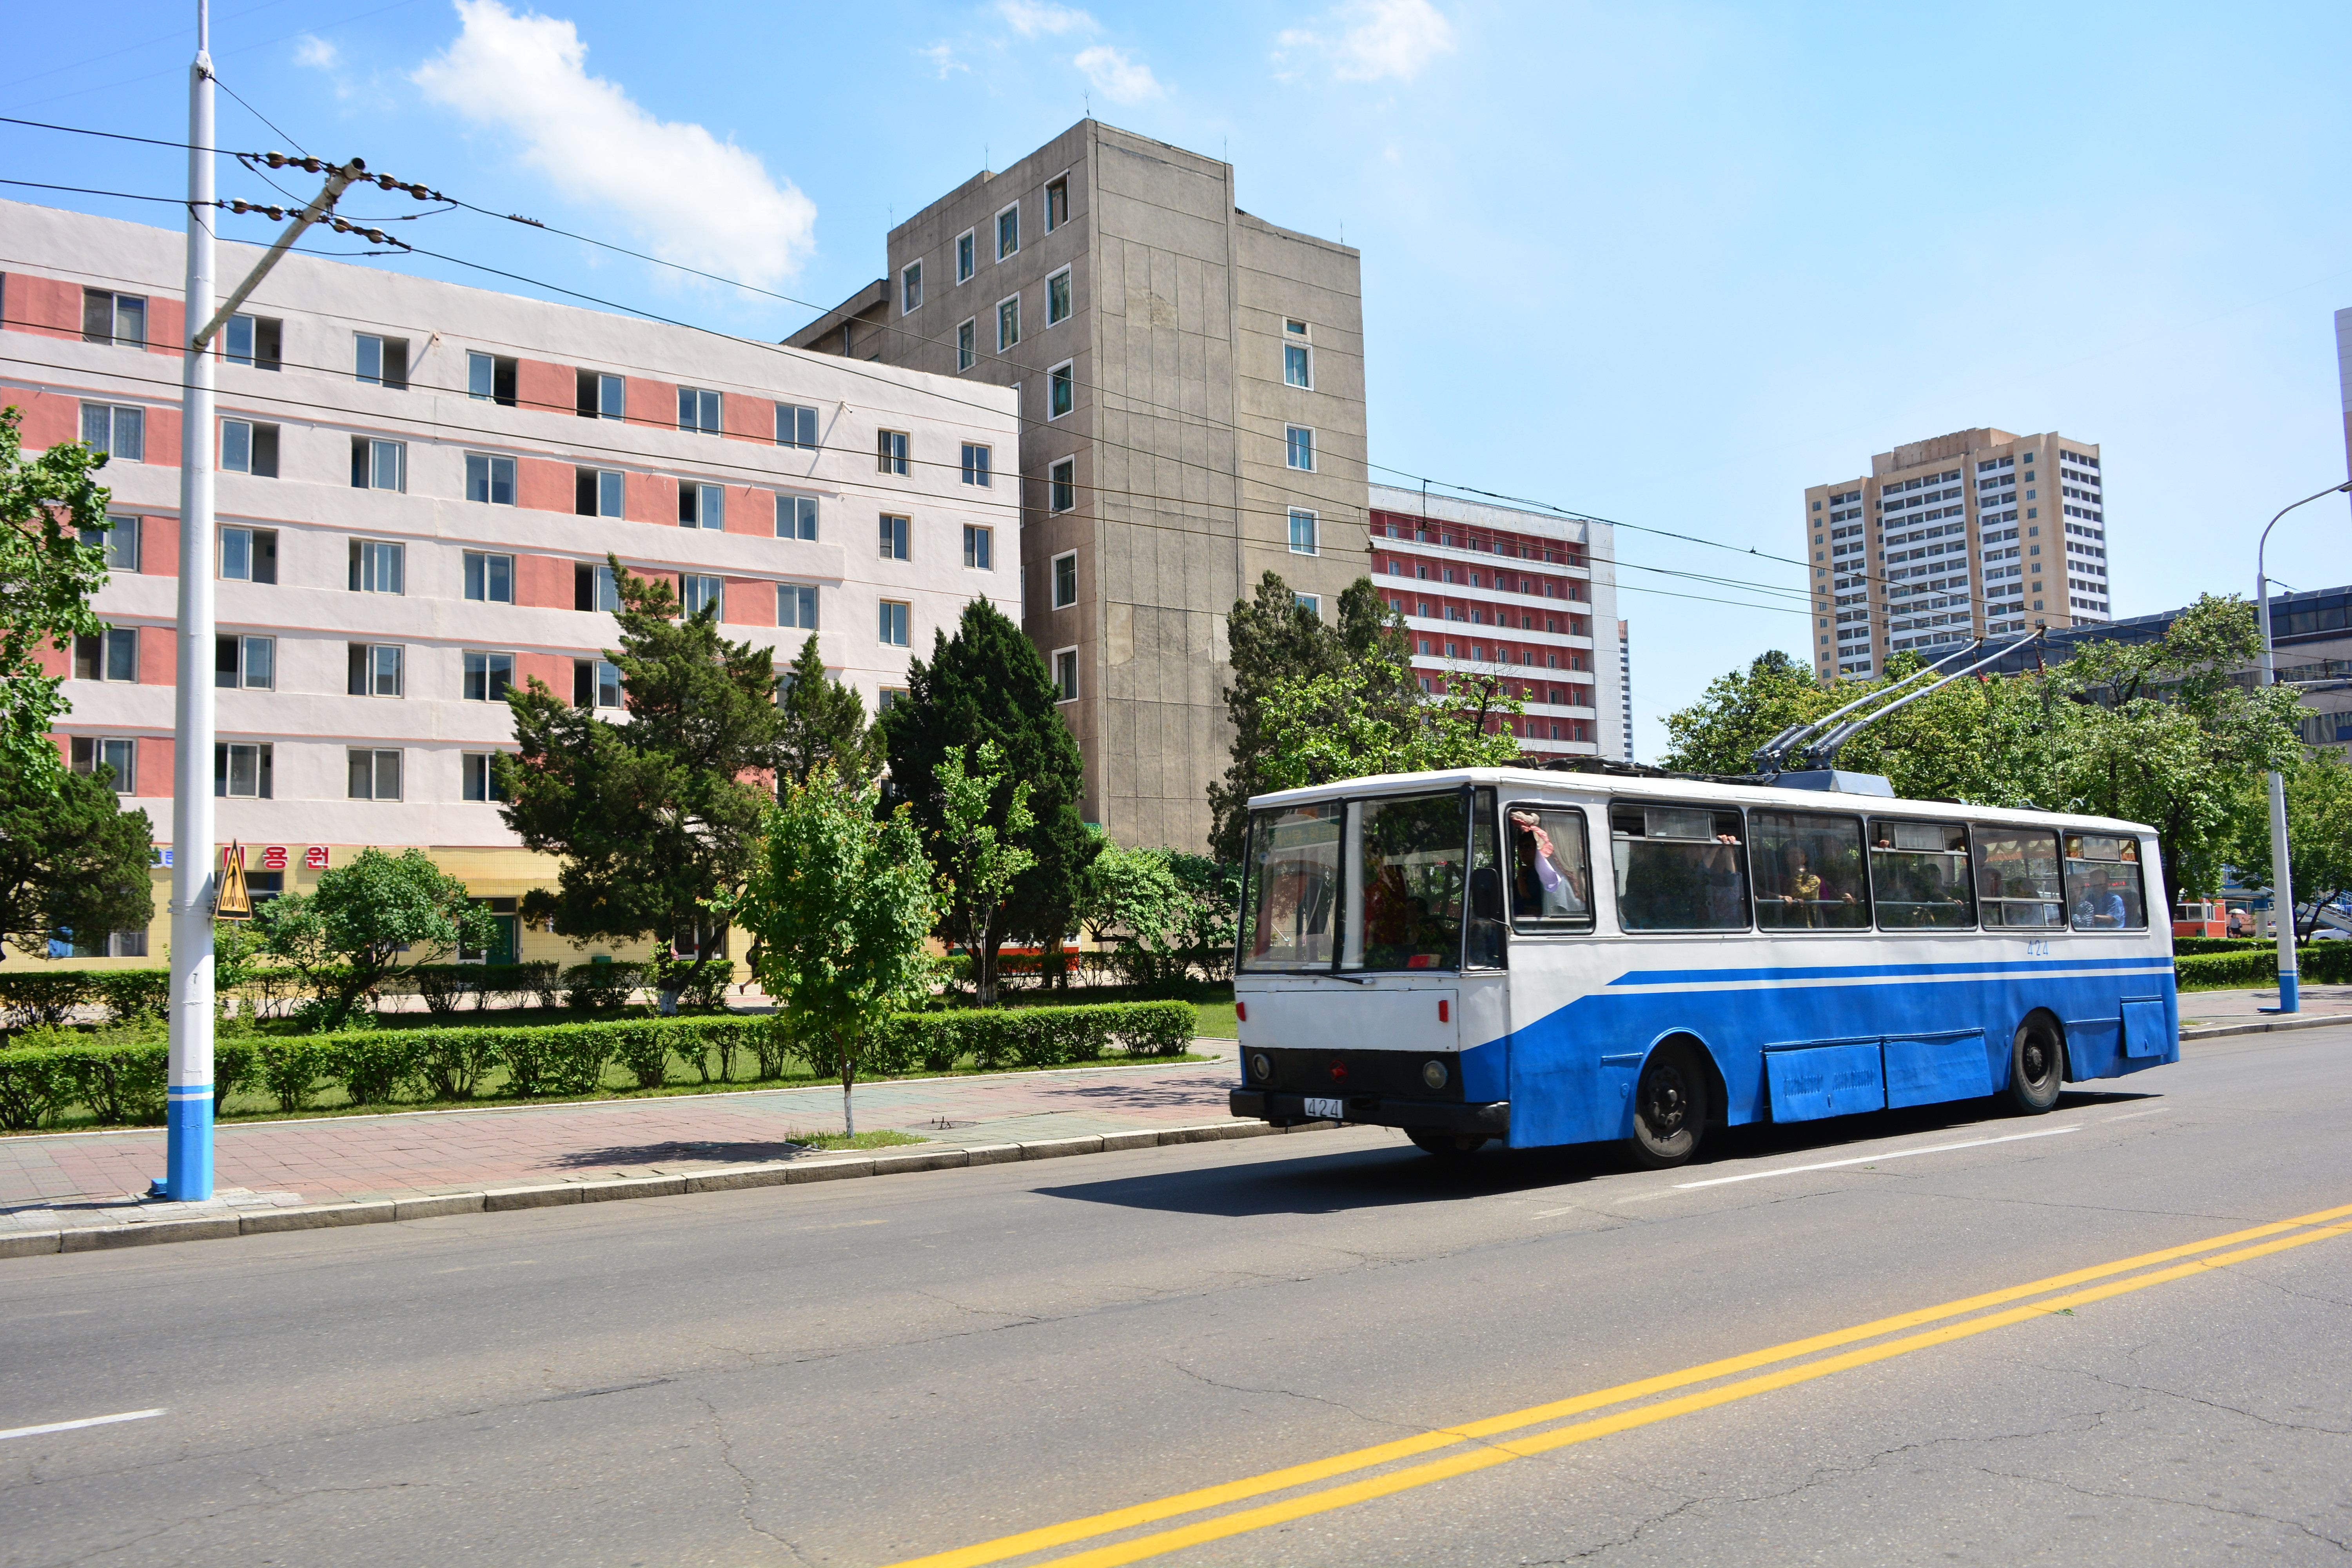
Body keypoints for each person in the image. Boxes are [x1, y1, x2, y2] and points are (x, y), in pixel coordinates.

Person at [1508, 810, 1588, 918]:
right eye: (1521, 847)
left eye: (1528, 847)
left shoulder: (1539, 871)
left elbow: (1526, 895)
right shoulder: (1529, 870)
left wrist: (1520, 875)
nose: (1523, 852)